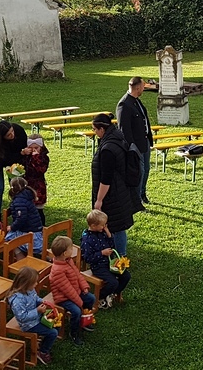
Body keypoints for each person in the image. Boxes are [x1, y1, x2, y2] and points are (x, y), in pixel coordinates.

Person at [90, 113, 137, 256]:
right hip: (120, 189)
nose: (94, 132)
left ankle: (119, 257)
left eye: (94, 129)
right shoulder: (117, 138)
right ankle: (118, 255)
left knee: (115, 226)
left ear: (102, 129)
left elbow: (106, 178)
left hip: (112, 194)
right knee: (118, 226)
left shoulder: (107, 149)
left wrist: (99, 200)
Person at [49, 235, 96, 344]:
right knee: (76, 311)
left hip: (75, 292)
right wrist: (80, 303)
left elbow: (77, 275)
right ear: (65, 253)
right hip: (63, 298)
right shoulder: (57, 271)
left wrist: (84, 286)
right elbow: (67, 290)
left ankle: (84, 318)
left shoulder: (68, 261)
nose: (72, 250)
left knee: (91, 298)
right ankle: (74, 333)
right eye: (71, 248)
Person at [81, 209, 131, 310]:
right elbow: (87, 258)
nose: (104, 227)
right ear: (93, 226)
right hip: (98, 266)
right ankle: (98, 297)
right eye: (102, 225)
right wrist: (101, 253)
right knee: (113, 282)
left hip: (109, 263)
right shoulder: (87, 240)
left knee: (126, 276)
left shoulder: (102, 232)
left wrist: (108, 234)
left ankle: (112, 294)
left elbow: (112, 246)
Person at [7, 266, 58, 365]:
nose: (36, 284)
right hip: (28, 325)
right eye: (34, 282)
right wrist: (37, 311)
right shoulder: (17, 300)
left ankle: (43, 343)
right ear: (26, 284)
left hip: (36, 318)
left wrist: (41, 301)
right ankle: (42, 352)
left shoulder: (29, 289)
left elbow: (35, 298)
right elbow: (22, 317)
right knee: (53, 332)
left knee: (55, 324)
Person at [117, 76, 153, 205]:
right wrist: (132, 147)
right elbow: (124, 129)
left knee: (146, 169)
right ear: (137, 88)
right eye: (143, 86)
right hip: (135, 146)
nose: (144, 89)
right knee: (139, 172)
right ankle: (136, 200)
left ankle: (142, 194)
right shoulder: (124, 104)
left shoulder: (137, 101)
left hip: (144, 141)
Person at [0, 120, 28, 215]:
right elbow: (6, 159)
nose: (12, 135)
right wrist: (21, 153)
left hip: (15, 160)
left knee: (16, 185)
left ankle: (17, 209)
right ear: (2, 137)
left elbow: (24, 143)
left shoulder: (18, 130)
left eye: (12, 131)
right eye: (8, 135)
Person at [4, 177, 43, 258]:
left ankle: (20, 257)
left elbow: (21, 219)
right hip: (36, 231)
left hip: (31, 235)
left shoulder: (19, 201)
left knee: (9, 239)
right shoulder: (27, 196)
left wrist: (12, 227)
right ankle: (49, 257)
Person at [20, 135, 50, 226]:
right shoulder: (26, 156)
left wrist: (36, 157)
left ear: (41, 147)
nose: (33, 150)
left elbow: (41, 170)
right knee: (27, 209)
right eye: (31, 148)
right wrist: (22, 154)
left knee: (38, 210)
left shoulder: (43, 158)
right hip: (27, 186)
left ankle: (41, 227)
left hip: (38, 187)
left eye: (36, 148)